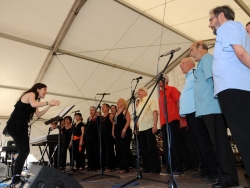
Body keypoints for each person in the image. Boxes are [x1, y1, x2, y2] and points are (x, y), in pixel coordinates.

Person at [209, 5, 250, 188]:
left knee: (243, 135)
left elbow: (240, 52)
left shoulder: (228, 26)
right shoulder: (234, 28)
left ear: (221, 16)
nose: (210, 24)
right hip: (235, 87)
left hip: (233, 87)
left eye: (211, 19)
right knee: (244, 133)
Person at [190, 40, 239, 187]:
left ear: (200, 48)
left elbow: (214, 81)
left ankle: (230, 177)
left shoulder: (207, 59)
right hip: (206, 109)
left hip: (212, 108)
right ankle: (222, 173)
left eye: (192, 50)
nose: (191, 54)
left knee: (220, 144)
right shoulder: (202, 62)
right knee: (215, 144)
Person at [2, 83, 60, 183]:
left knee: (24, 151)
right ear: (38, 89)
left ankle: (16, 176)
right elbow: (33, 104)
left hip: (21, 126)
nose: (46, 92)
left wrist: (49, 106)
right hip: (16, 125)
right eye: (44, 89)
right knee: (24, 151)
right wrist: (48, 102)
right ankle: (16, 177)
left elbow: (38, 114)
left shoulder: (35, 100)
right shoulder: (31, 94)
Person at [179, 57, 219, 180]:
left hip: (196, 111)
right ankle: (205, 168)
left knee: (203, 142)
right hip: (189, 114)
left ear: (190, 64)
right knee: (196, 144)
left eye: (182, 63)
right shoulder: (188, 77)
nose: (180, 66)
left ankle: (214, 170)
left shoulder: (195, 74)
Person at [158, 75, 183, 176]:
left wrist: (180, 118)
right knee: (166, 146)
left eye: (160, 79)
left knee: (174, 145)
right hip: (164, 122)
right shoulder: (160, 93)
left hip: (173, 120)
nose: (158, 81)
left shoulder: (172, 89)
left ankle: (178, 168)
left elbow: (178, 103)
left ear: (166, 80)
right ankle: (169, 168)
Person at [136, 87, 161, 174]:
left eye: (140, 90)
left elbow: (155, 112)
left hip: (149, 126)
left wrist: (155, 125)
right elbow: (138, 117)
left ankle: (155, 168)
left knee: (152, 148)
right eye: (138, 90)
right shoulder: (138, 104)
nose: (138, 91)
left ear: (145, 92)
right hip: (142, 129)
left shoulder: (150, 100)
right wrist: (137, 128)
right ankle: (147, 167)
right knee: (144, 149)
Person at [114, 98, 132, 173]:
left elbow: (128, 121)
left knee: (124, 148)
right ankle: (121, 166)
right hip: (117, 132)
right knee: (119, 149)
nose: (117, 103)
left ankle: (125, 167)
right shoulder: (116, 112)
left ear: (123, 103)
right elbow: (115, 123)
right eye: (117, 102)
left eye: (119, 102)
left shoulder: (125, 110)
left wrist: (124, 130)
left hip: (124, 131)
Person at [100, 103, 115, 172]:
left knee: (109, 151)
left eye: (104, 107)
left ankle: (110, 166)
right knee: (103, 151)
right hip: (102, 135)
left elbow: (113, 124)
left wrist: (112, 132)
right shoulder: (101, 117)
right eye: (102, 107)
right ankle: (103, 166)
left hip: (108, 135)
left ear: (108, 108)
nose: (102, 108)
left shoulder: (110, 115)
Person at [85, 106, 100, 171]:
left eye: (93, 110)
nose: (91, 111)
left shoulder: (97, 118)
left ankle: (97, 166)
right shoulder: (88, 118)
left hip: (95, 137)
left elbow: (98, 126)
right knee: (89, 152)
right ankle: (90, 166)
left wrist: (96, 118)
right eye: (90, 110)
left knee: (95, 152)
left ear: (95, 111)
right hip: (88, 138)